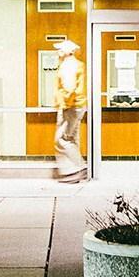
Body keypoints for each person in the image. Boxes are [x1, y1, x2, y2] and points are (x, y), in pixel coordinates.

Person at [51, 39, 88, 182]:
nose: (57, 52)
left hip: (70, 107)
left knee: (62, 139)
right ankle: (74, 173)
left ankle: (79, 168)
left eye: (60, 49)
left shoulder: (68, 66)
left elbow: (69, 87)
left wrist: (65, 104)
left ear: (67, 52)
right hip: (77, 105)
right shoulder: (77, 64)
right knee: (72, 138)